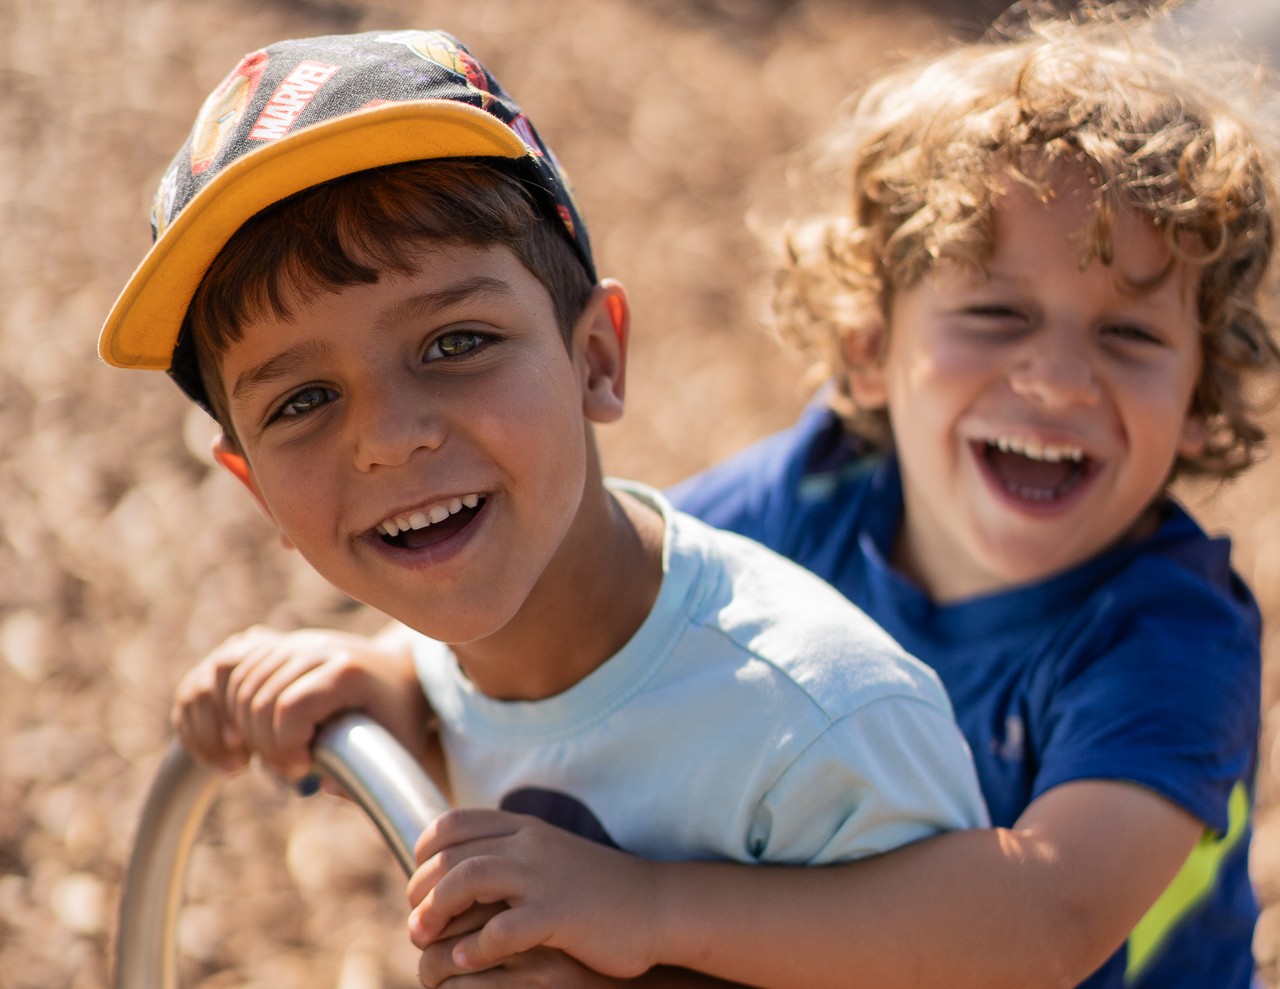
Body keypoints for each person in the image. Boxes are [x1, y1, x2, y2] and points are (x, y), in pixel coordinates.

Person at [396, 4, 1280, 988]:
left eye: (1130, 335)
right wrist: (398, 673)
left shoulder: (1169, 633)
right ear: (870, 349)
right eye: (996, 312)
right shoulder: (821, 486)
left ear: (1199, 394)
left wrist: (648, 907)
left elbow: (1047, 922)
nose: (1060, 379)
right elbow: (601, 587)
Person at [97, 27, 989, 989]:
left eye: (456, 343)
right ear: (255, 487)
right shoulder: (462, 659)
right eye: (303, 400)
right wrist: (388, 680)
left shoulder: (822, 726)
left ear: (594, 360)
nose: (388, 436)